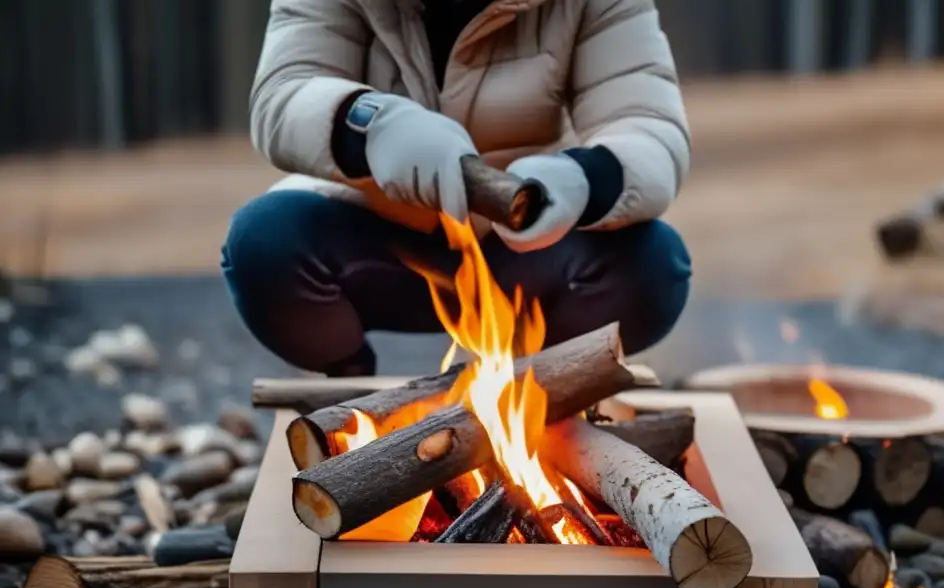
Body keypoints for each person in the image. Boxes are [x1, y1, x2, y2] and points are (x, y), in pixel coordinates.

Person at [222, 0, 693, 376]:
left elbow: (647, 125)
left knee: (653, 267)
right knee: (264, 244)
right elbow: (282, 95)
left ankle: (540, 391)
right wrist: (370, 128)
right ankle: (353, 398)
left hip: (525, 247)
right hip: (379, 239)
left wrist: (581, 179)